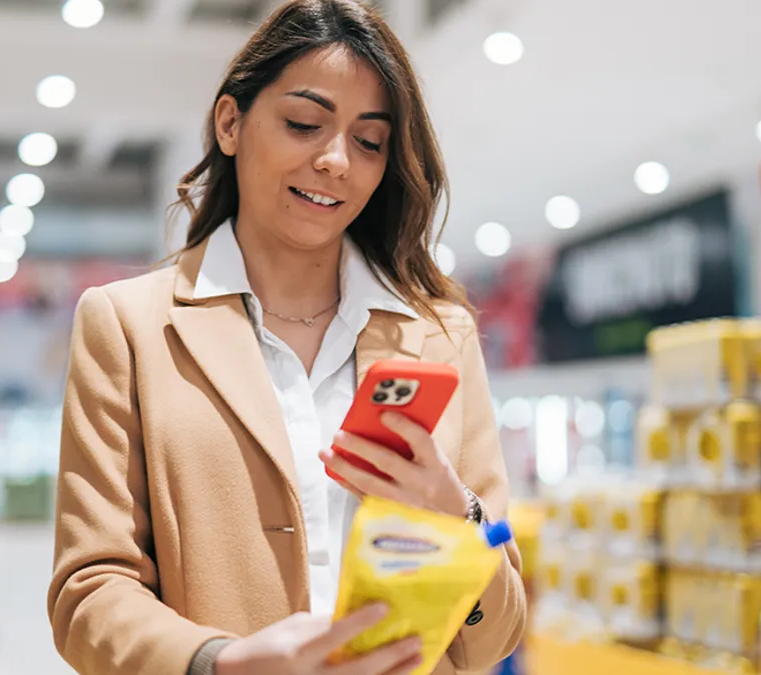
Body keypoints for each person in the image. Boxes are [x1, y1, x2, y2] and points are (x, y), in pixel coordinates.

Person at [47, 1, 526, 673]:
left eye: (369, 141)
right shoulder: (127, 326)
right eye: (305, 123)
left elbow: (495, 634)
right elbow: (88, 590)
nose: (336, 160)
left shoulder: (441, 335)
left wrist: (460, 513)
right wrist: (219, 662)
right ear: (231, 122)